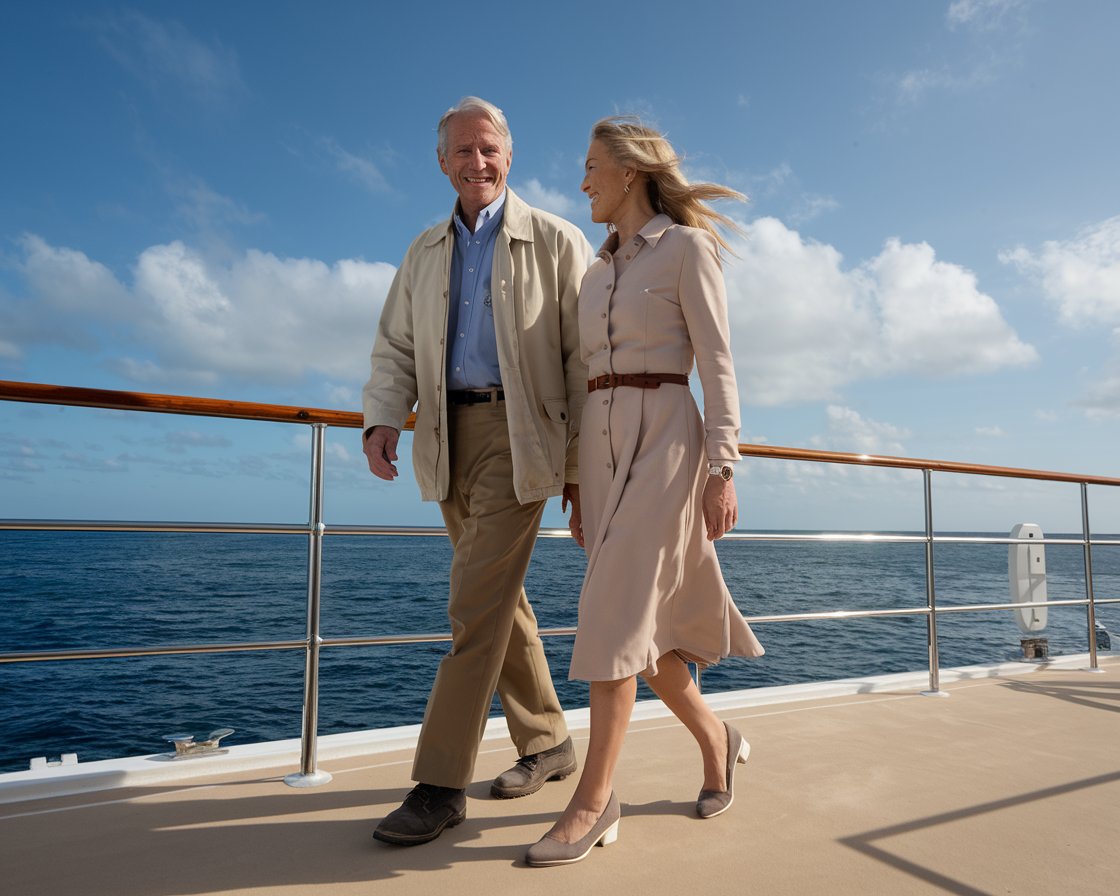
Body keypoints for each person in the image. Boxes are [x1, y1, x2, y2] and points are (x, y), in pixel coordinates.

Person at [525, 117, 765, 867]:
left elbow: (719, 368)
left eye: (592, 166)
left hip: (667, 438)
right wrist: (572, 477)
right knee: (645, 633)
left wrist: (723, 469)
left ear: (629, 171)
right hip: (599, 450)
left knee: (612, 617)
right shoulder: (594, 272)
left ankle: (594, 802)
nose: (582, 180)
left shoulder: (688, 251)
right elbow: (577, 380)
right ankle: (717, 740)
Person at [362, 96, 593, 846]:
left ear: (510, 155)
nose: (477, 162)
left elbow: (585, 361)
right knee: (501, 603)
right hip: (442, 435)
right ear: (441, 162)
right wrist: (380, 417)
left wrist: (581, 463)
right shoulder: (424, 249)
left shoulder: (557, 241)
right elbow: (396, 346)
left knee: (473, 608)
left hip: (521, 432)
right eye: (462, 151)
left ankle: (438, 785)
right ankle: (549, 742)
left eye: (489, 148)